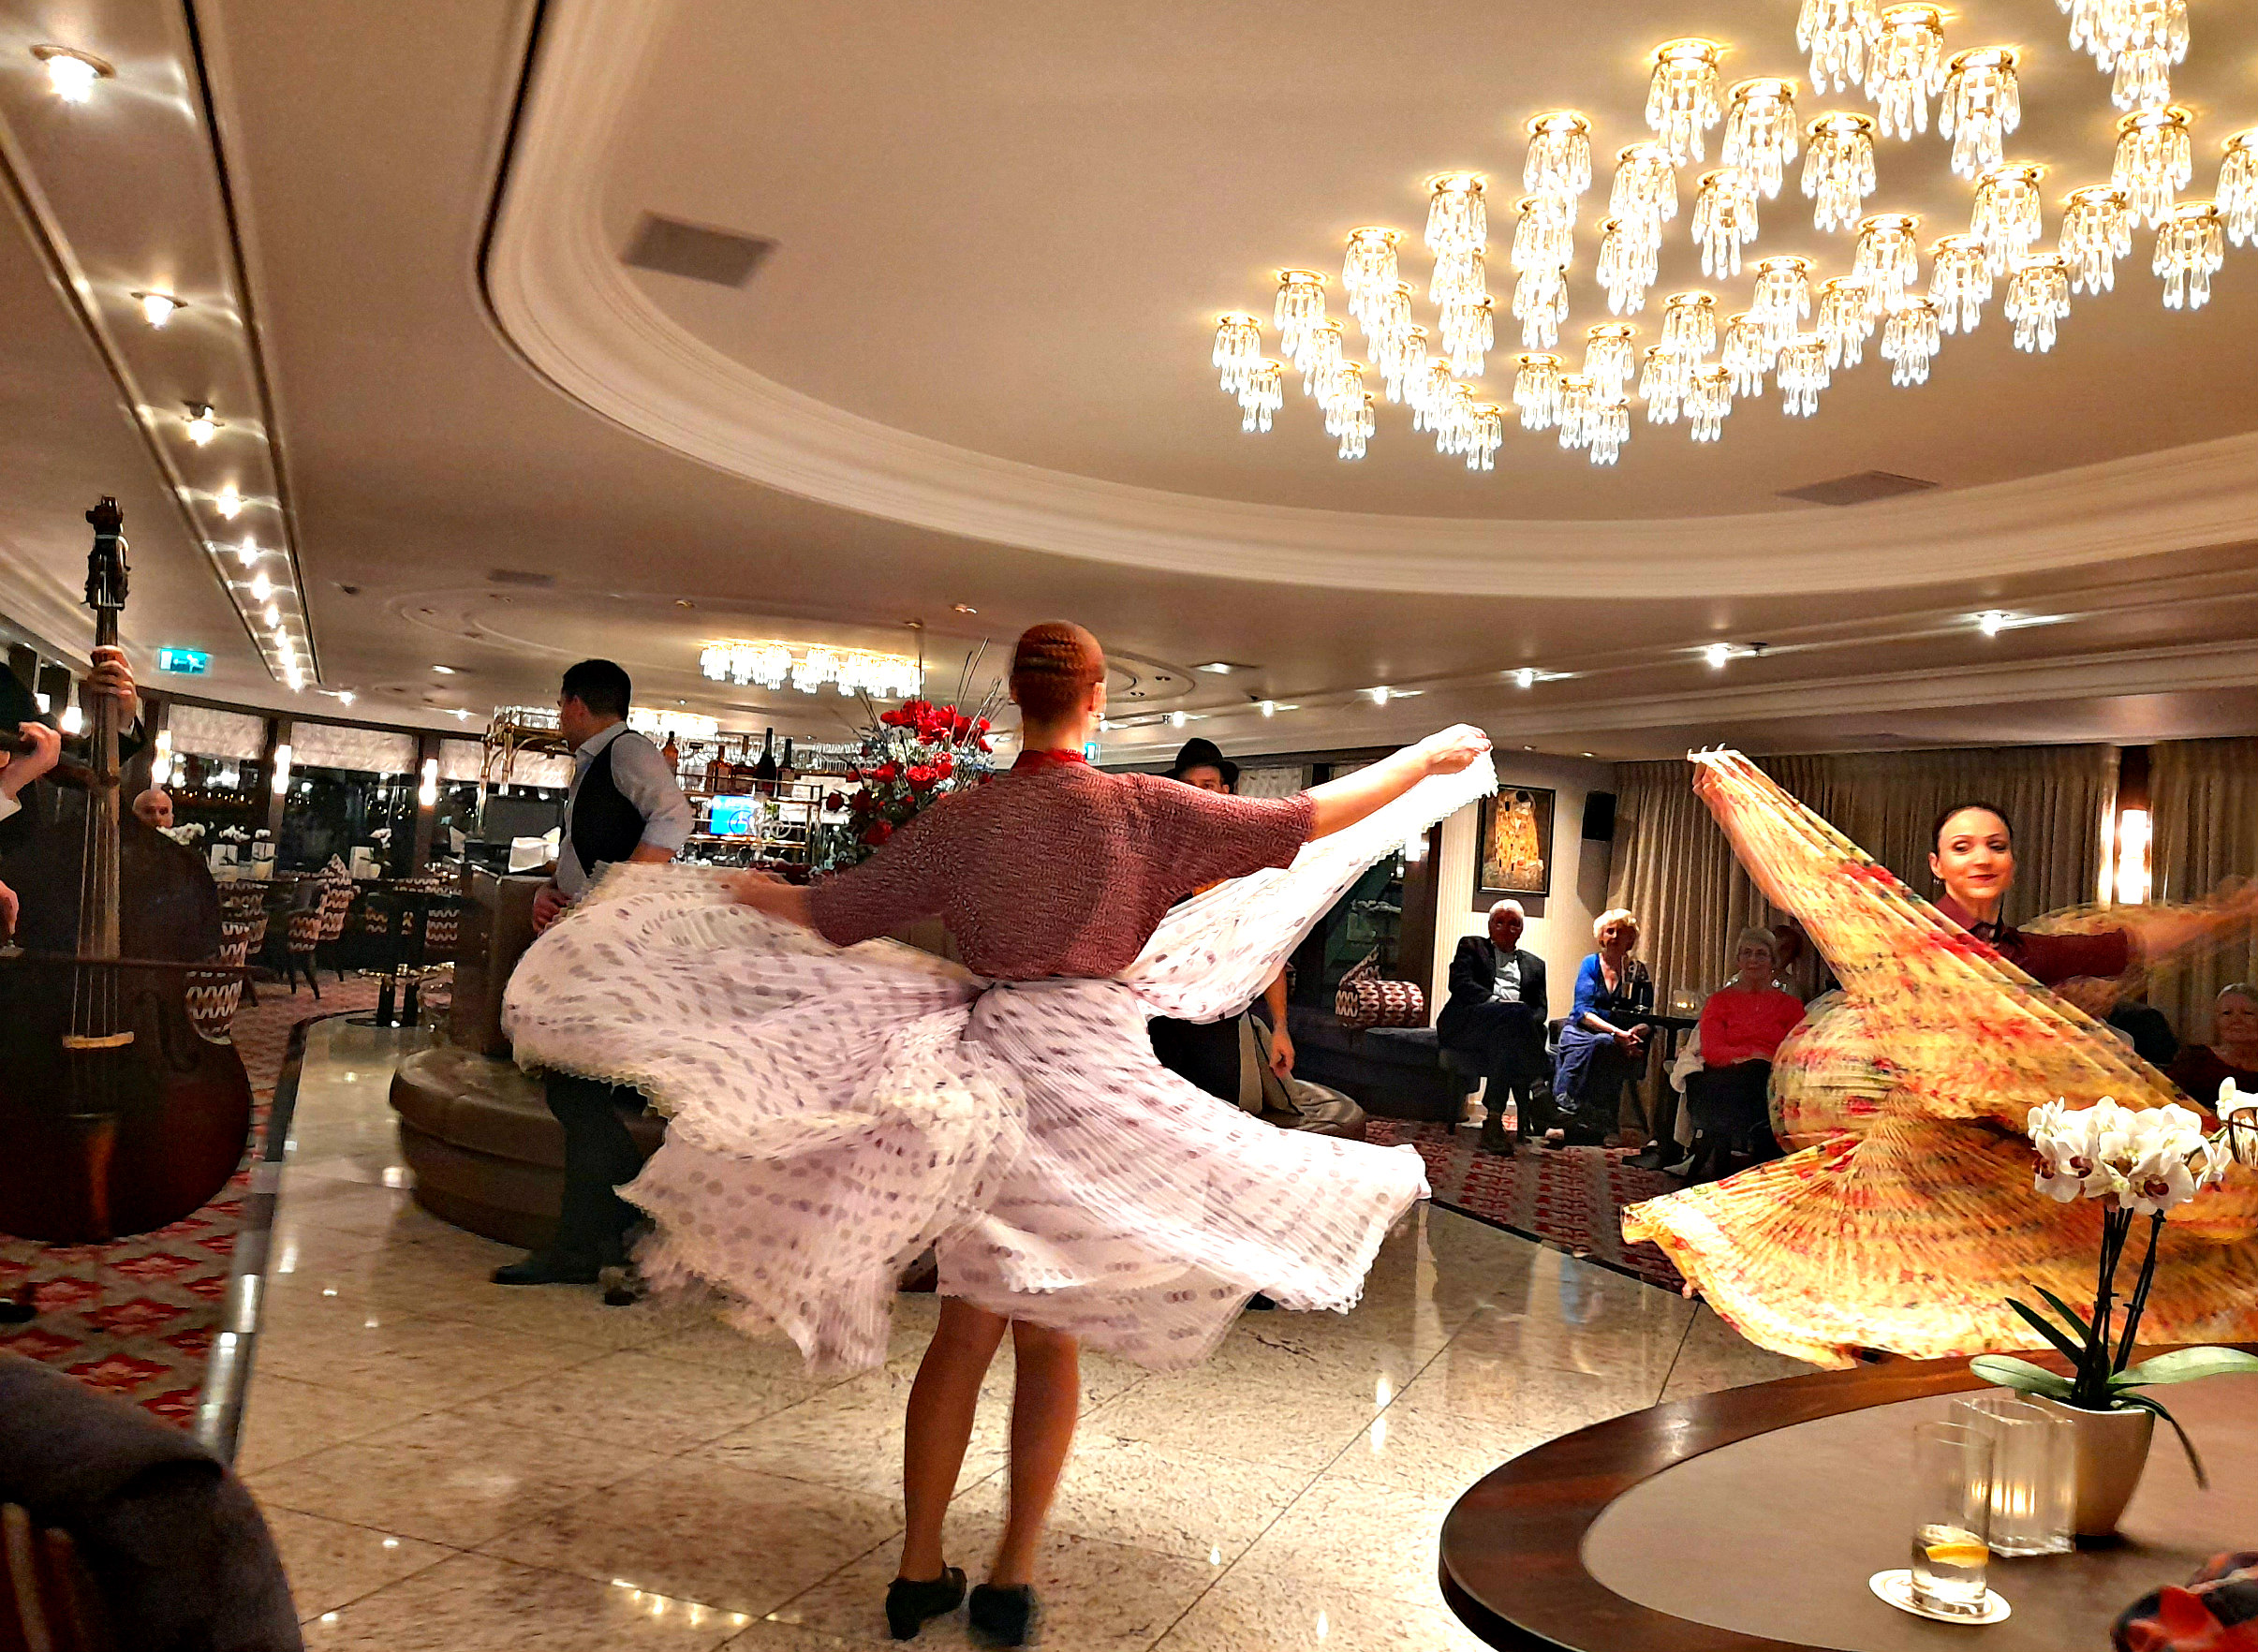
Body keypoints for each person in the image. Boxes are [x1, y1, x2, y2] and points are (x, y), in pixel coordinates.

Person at [501, 622, 1491, 1645]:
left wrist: (734, 892)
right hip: (1094, 1079)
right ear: (1095, 698)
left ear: (1016, 697)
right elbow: (1306, 817)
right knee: (1047, 1336)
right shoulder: (1143, 809)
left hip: (987, 1079)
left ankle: (916, 1571)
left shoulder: (968, 817)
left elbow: (835, 911)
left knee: (963, 1330)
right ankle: (1013, 1579)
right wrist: (1421, 762)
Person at [1624, 755, 2258, 1369]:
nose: (1980, 858)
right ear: (1936, 865)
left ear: (2010, 861)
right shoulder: (1910, 937)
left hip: (1989, 1146)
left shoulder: (2025, 955)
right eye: (1962, 847)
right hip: (1914, 1145)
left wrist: (2228, 914)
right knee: (1884, 1276)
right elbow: (1806, 890)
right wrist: (1738, 804)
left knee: (1998, 1287)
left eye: (1995, 846)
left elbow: (2131, 943)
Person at [493, 658, 692, 1292]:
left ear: (576, 704)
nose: (559, 717)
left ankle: (613, 1227)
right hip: (594, 944)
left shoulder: (627, 750)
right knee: (574, 1089)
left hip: (617, 951)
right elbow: (583, 852)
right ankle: (607, 1231)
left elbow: (674, 818)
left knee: (576, 1088)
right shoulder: (595, 762)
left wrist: (614, 896)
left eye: (560, 706)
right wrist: (547, 891)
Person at [1146, 737, 1295, 1099]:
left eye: (1208, 785)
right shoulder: (1159, 860)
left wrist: (1280, 1026)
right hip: (1158, 1018)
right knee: (1158, 1116)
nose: (1198, 794)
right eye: (1189, 786)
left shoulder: (1245, 866)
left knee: (1219, 1115)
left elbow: (1268, 949)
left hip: (1219, 1020)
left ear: (1225, 792)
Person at [1679, 927, 1807, 1183]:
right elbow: (1713, 1051)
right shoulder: (1719, 1001)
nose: (1753, 960)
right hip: (1726, 1076)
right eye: (1747, 953)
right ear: (1738, 960)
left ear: (1772, 962)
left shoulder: (1790, 1006)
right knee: (1746, 1081)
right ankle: (1759, 1168)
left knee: (1761, 1079)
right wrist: (1752, 1055)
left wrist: (1763, 1060)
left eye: (1761, 954)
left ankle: (1750, 1168)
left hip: (1771, 1078)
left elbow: (1798, 1051)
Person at [1438, 899, 1550, 1156]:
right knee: (1515, 1014)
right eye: (1499, 922)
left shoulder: (1535, 965)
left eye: (1513, 924)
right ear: (1490, 926)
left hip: (1504, 1033)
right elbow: (1460, 984)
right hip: (1468, 1025)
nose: (1506, 929)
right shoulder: (1471, 946)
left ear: (1521, 929)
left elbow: (1540, 1010)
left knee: (1510, 1032)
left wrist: (1517, 1019)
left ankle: (1493, 1122)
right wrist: (1499, 1005)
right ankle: (1540, 1090)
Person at [1548, 908, 1653, 1147]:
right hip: (1583, 1030)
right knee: (1601, 1044)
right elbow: (1583, 1011)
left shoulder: (1637, 970)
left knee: (1606, 1046)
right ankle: (1569, 1116)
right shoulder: (1591, 964)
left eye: (1622, 932)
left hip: (1622, 1034)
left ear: (1631, 939)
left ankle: (1596, 1124)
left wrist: (1637, 1030)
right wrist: (1617, 1033)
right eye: (1610, 931)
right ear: (1601, 937)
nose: (1615, 937)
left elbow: (1645, 1012)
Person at [2169, 983, 2258, 1103]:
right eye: (2227, 1013)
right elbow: (2168, 1097)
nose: (2236, 1020)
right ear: (2217, 1020)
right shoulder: (2194, 1060)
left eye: (2247, 1013)